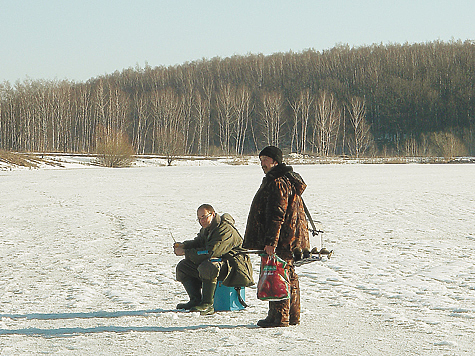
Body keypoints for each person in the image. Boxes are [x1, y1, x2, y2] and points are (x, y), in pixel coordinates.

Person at [243, 146, 309, 327]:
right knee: (288, 274)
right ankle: (292, 315)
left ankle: (280, 317)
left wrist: (271, 241)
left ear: (275, 161)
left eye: (265, 159)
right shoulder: (285, 180)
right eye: (261, 159)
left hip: (282, 239)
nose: (262, 163)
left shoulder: (278, 183)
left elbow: (276, 215)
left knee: (278, 275)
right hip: (290, 238)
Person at [174, 204, 249, 315]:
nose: (202, 221)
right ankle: (195, 300)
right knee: (183, 267)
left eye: (204, 217)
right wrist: (184, 245)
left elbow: (211, 252)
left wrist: (186, 252)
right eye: (199, 218)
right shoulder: (208, 228)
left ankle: (207, 304)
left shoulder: (224, 229)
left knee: (208, 266)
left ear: (212, 214)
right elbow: (198, 242)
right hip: (221, 263)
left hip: (235, 268)